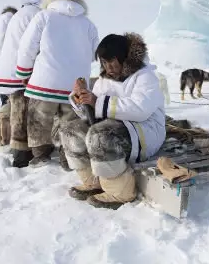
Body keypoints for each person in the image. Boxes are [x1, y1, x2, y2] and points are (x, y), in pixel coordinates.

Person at [61, 33, 166, 210]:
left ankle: (121, 191)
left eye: (112, 61)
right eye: (103, 62)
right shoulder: (104, 80)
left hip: (145, 131)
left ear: (124, 57)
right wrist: (81, 100)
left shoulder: (145, 77)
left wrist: (97, 102)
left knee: (101, 136)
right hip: (115, 128)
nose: (107, 67)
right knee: (71, 131)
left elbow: (140, 110)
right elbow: (93, 115)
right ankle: (93, 181)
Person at [15, 0, 99, 167]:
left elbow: (27, 47)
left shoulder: (44, 16)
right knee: (71, 124)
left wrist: (23, 72)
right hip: (75, 85)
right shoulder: (88, 24)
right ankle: (67, 156)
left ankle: (41, 156)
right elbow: (94, 54)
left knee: (39, 120)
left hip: (44, 82)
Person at [0, 0, 48, 167]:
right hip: (20, 72)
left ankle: (16, 149)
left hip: (7, 71)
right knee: (24, 112)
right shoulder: (36, 15)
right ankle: (24, 154)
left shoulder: (20, 14)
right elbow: (34, 45)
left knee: (15, 111)